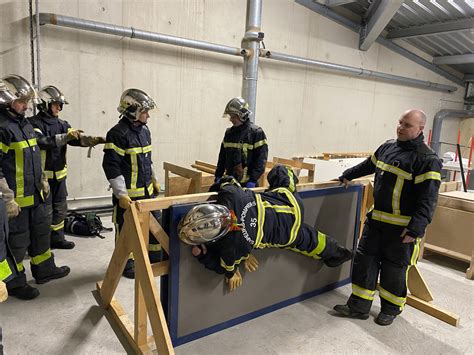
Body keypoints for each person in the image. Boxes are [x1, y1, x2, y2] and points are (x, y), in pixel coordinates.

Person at [333, 109, 442, 326]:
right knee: (365, 263)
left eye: (407, 125)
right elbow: (368, 165)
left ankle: (391, 309)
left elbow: (428, 199)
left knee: (394, 270)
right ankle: (359, 306)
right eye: (400, 122)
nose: (401, 127)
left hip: (402, 230)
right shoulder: (387, 147)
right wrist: (347, 175)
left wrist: (415, 229)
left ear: (421, 129)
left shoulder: (427, 160)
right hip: (376, 223)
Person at [178, 165, 353, 291]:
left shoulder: (233, 249)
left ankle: (337, 254)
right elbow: (227, 180)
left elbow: (223, 269)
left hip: (287, 234)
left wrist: (203, 256)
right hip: (289, 201)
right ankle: (339, 253)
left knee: (310, 241)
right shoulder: (232, 195)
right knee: (280, 172)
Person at [0, 74, 71, 300]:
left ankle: (45, 269)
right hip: (17, 201)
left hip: (36, 195)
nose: (26, 106)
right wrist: (8, 198)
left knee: (41, 235)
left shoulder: (25, 125)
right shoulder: (2, 128)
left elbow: (36, 155)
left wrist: (42, 180)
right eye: (22, 102)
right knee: (17, 243)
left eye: (27, 101)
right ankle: (15, 282)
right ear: (7, 101)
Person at [30, 85, 106, 250]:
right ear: (44, 104)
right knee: (44, 213)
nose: (59, 107)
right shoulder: (33, 124)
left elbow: (75, 138)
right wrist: (66, 137)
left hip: (59, 177)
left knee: (60, 209)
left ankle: (57, 239)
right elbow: (42, 141)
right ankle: (41, 244)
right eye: (56, 104)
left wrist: (92, 140)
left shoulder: (62, 124)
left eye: (60, 104)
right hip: (43, 178)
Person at [102, 88, 162, 279]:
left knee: (155, 226)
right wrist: (122, 195)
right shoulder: (117, 134)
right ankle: (127, 263)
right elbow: (111, 167)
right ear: (133, 111)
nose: (148, 116)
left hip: (147, 192)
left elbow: (147, 159)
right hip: (129, 197)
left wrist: (154, 179)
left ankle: (154, 256)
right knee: (126, 231)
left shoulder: (144, 131)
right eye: (145, 112)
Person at [215, 97, 268, 188]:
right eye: (230, 116)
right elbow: (222, 157)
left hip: (248, 184)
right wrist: (218, 175)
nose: (231, 119)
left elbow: (261, 160)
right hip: (230, 183)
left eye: (233, 116)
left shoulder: (256, 133)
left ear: (242, 115)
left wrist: (253, 180)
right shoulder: (229, 134)